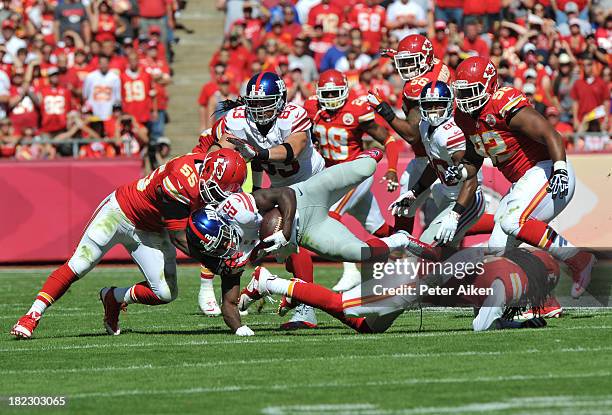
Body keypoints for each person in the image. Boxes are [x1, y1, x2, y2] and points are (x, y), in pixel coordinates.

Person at [10, 149, 247, 339]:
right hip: (120, 212)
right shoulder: (181, 182)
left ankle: (114, 297)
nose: (222, 194)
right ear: (208, 172)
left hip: (150, 229)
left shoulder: (208, 166)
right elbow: (180, 238)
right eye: (222, 187)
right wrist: (215, 263)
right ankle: (31, 316)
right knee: (79, 264)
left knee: (165, 293)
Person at [450, 57, 595, 302]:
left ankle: (579, 259)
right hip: (524, 181)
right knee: (498, 249)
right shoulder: (464, 117)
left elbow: (551, 134)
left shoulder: (502, 103)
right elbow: (474, 158)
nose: (465, 98)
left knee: (512, 220)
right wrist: (462, 171)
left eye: (471, 91)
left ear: (489, 86)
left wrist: (559, 168)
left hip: (547, 169)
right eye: (461, 91)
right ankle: (541, 301)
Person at [208, 71, 325, 328]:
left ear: (281, 99)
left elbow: (293, 150)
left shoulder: (292, 115)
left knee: (295, 239)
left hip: (314, 182)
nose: (260, 109)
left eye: (266, 102)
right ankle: (262, 285)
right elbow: (220, 149)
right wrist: (211, 165)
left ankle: (305, 306)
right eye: (256, 103)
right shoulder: (239, 120)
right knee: (273, 242)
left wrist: (258, 155)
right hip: (282, 187)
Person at [239, 248, 557, 333]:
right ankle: (268, 281)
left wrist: (515, 321)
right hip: (410, 282)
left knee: (365, 326)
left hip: (415, 282)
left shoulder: (505, 270)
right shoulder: (508, 283)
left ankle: (276, 284)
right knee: (343, 303)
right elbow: (482, 323)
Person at [305, 69, 400, 292]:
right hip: (332, 176)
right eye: (325, 95)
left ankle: (351, 271)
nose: (329, 100)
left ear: (344, 91)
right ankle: (410, 264)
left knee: (328, 218)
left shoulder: (356, 110)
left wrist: (393, 168)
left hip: (354, 173)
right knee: (381, 230)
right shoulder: (312, 108)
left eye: (334, 94)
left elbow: (389, 140)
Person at [368, 34, 451, 235]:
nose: (405, 68)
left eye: (410, 62)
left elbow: (413, 135)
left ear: (425, 60)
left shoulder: (417, 87)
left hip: (440, 158)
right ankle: (402, 250)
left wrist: (384, 110)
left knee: (453, 216)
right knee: (403, 206)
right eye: (403, 62)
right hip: (435, 153)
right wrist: (397, 54)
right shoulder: (439, 67)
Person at [390, 81, 485, 248]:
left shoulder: (451, 134)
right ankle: (467, 272)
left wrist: (455, 214)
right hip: (448, 194)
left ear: (449, 105)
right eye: (429, 105)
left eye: (438, 105)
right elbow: (436, 165)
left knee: (427, 245)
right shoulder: (424, 126)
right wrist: (414, 192)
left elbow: (471, 179)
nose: (433, 110)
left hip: (466, 199)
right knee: (447, 252)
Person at [83, 55, 122, 121]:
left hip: (109, 114)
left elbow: (118, 98)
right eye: (101, 63)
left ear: (109, 64)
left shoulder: (115, 78)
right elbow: (85, 95)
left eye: (105, 63)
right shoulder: (90, 77)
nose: (103, 65)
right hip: (94, 114)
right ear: (98, 64)